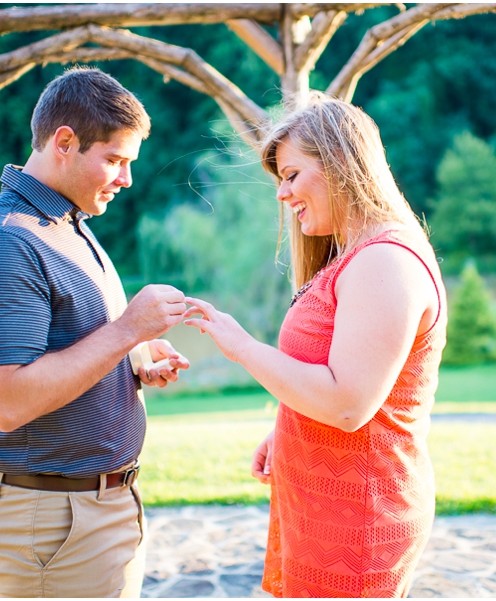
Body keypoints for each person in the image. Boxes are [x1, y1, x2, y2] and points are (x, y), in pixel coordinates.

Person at [184, 96, 447, 597]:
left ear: (340, 164)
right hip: (323, 505)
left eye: (291, 175)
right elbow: (333, 372)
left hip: (359, 518)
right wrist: (288, 427)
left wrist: (240, 346)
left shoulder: (383, 262)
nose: (282, 194)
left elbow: (348, 405)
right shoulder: (353, 254)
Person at [0, 67, 190, 598]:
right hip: (52, 521)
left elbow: (73, 345)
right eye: (115, 160)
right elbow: (8, 401)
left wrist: (136, 354)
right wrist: (128, 328)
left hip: (82, 514)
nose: (126, 178)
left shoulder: (67, 224)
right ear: (64, 142)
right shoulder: (5, 243)